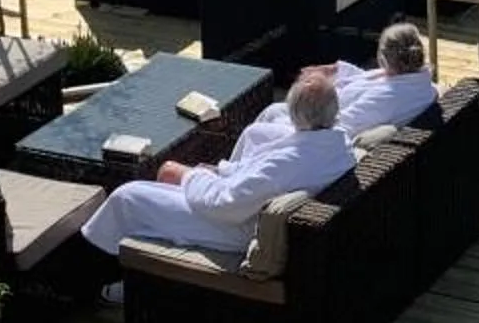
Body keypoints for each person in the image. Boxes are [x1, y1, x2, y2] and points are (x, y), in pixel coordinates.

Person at [81, 66, 357, 269]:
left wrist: (190, 175)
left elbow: (227, 205)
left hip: (237, 228)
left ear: (295, 115)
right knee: (252, 135)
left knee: (128, 197)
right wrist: (219, 172)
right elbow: (254, 181)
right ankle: (139, 259)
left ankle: (113, 276)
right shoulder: (338, 143)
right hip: (251, 209)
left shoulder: (287, 163)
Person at [244, 23, 435, 145]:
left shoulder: (389, 97)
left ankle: (235, 170)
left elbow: (341, 123)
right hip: (324, 115)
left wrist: (317, 95)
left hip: (317, 130)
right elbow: (368, 80)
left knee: (256, 132)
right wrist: (334, 70)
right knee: (273, 110)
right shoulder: (410, 78)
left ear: (383, 58)